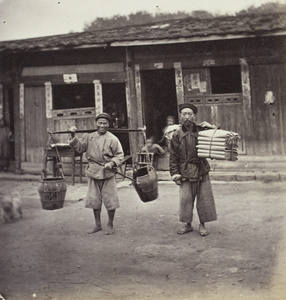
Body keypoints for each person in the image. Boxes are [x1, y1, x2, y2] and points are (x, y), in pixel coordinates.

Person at [68, 112, 124, 235]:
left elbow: (120, 155)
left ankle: (110, 224)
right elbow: (79, 148)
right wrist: (73, 135)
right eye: (100, 123)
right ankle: (97, 225)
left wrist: (112, 163)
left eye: (105, 123)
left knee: (110, 200)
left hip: (108, 172)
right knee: (94, 199)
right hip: (93, 172)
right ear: (96, 124)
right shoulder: (89, 137)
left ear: (108, 124)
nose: (102, 126)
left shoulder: (113, 139)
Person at [169, 103, 217, 236]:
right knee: (185, 199)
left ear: (194, 116)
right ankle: (187, 224)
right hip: (184, 170)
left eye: (189, 114)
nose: (187, 117)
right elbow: (173, 156)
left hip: (201, 169)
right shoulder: (176, 134)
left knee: (203, 199)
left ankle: (202, 225)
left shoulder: (202, 130)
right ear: (180, 116)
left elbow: (219, 137)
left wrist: (212, 128)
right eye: (184, 114)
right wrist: (175, 173)